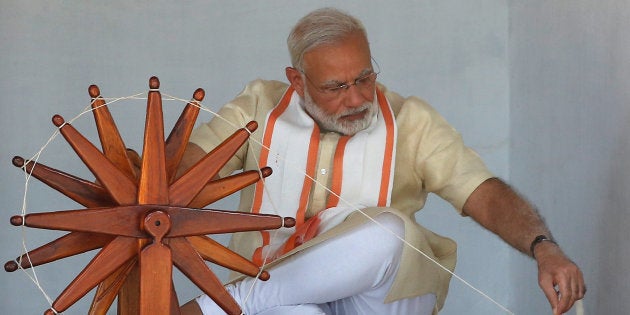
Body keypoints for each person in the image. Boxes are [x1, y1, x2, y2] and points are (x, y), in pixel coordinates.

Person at [180, 7, 585, 315]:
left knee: (385, 232)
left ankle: (218, 306)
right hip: (281, 300)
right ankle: (248, 302)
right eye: (336, 87)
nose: (356, 98)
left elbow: (484, 192)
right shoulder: (257, 106)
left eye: (364, 78)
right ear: (297, 80)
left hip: (385, 299)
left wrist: (544, 247)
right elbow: (185, 174)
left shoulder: (411, 120)